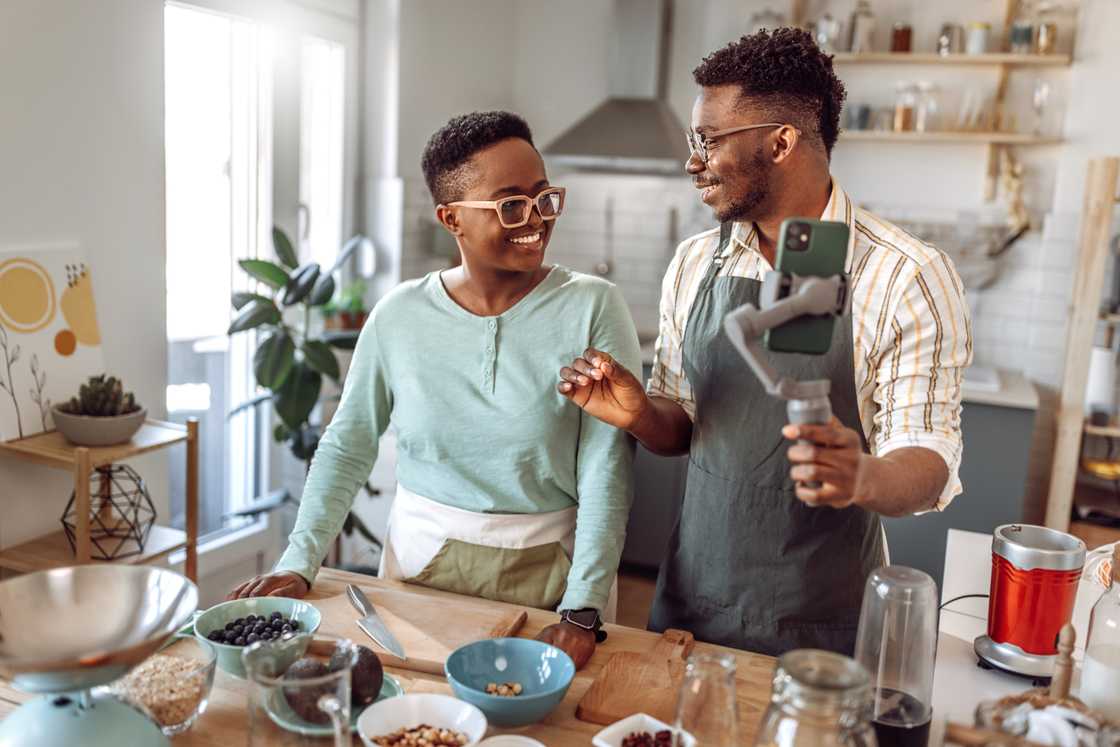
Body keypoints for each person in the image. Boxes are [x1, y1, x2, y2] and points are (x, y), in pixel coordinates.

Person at [556, 28, 972, 656]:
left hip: (823, 626)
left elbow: (928, 460)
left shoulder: (901, 274)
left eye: (709, 140)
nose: (692, 161)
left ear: (781, 142)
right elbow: (687, 425)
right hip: (690, 605)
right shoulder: (698, 262)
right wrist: (641, 414)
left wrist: (860, 474)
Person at [229, 111, 641, 669]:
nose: (536, 220)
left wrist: (583, 605)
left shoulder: (594, 304)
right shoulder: (399, 314)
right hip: (419, 573)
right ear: (452, 219)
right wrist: (299, 561)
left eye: (545, 198)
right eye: (510, 205)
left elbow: (605, 464)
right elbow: (348, 443)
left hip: (556, 579)